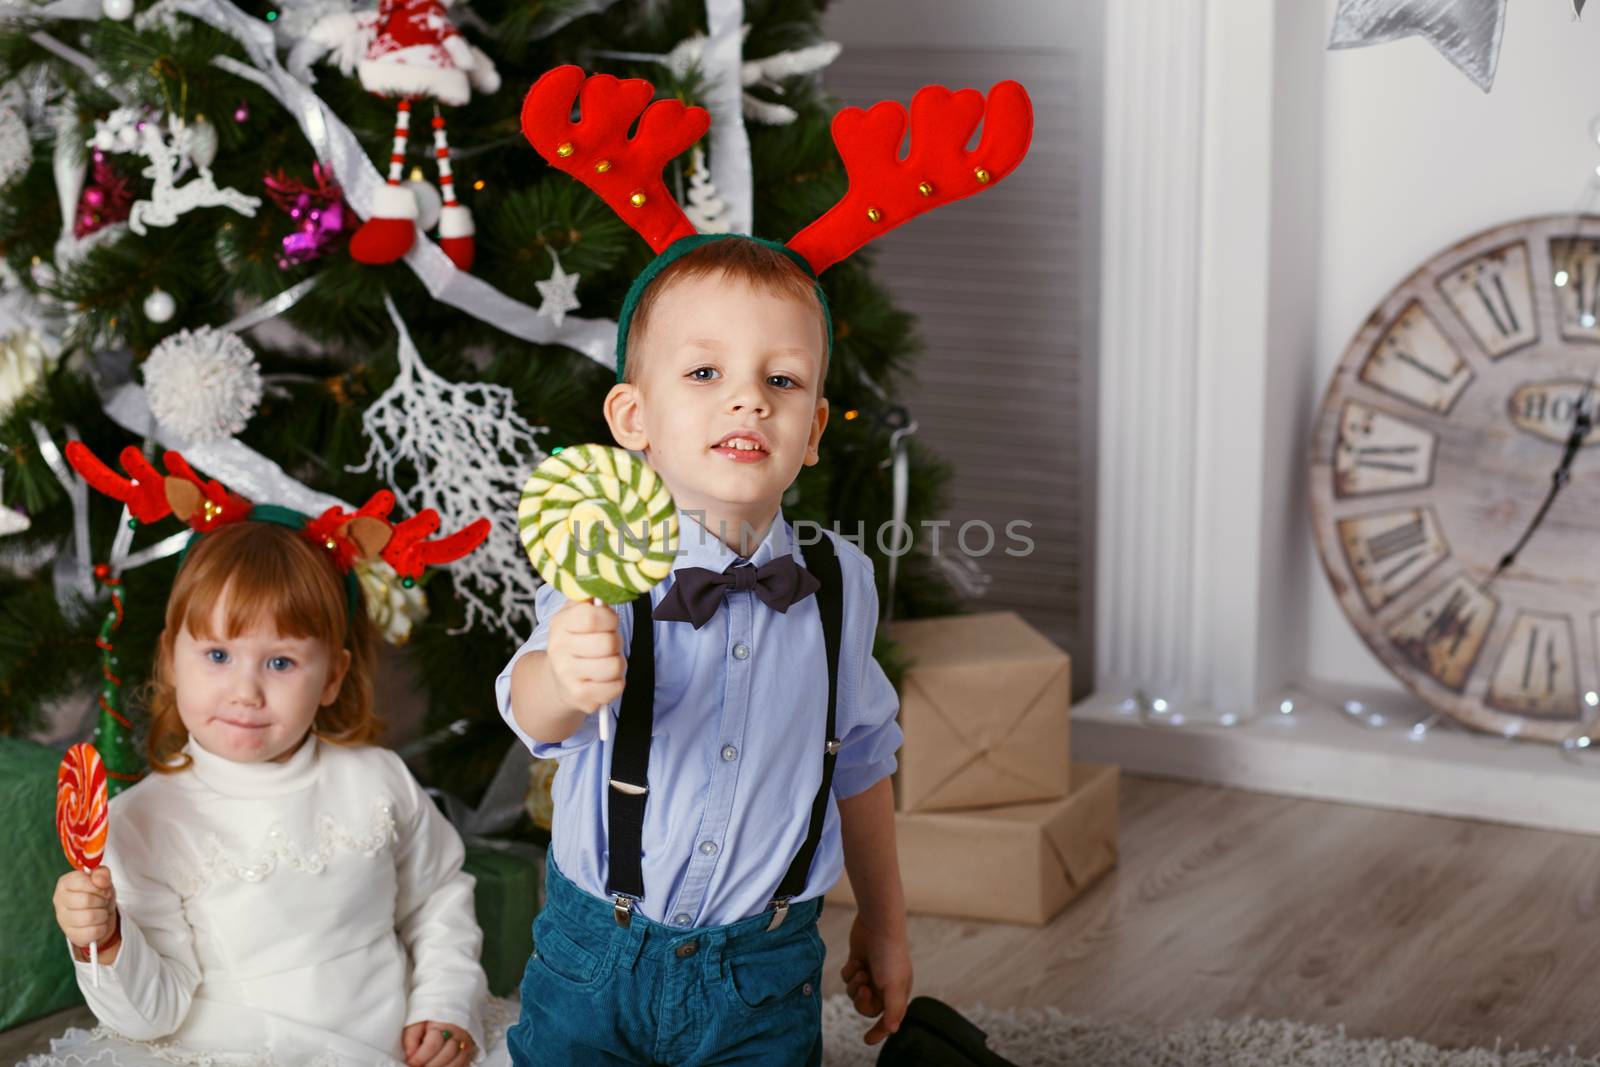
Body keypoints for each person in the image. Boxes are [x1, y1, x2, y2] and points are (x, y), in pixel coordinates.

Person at [497, 233, 913, 1067]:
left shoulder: (842, 579)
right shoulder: (603, 562)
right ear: (632, 418)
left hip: (762, 968)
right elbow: (533, 712)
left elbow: (860, 758)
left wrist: (884, 918)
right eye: (704, 373)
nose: (748, 401)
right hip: (596, 957)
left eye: (782, 379)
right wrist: (565, 678)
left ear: (815, 427)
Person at [41, 516, 491, 1067]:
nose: (246, 692)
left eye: (280, 662)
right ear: (171, 660)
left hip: (386, 1048)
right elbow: (151, 1014)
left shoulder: (377, 778)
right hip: (232, 1052)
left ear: (331, 676)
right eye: (218, 656)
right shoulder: (141, 824)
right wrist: (106, 939)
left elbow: (437, 898)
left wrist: (445, 1003)